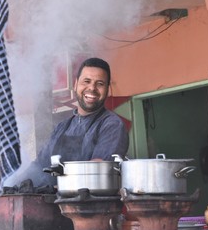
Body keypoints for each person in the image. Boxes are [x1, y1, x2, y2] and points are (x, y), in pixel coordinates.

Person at [20, 57, 129, 187]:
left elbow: (99, 167)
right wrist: (15, 183)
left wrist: (62, 178)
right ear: (76, 84)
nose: (92, 88)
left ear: (107, 89)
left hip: (94, 205)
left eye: (100, 84)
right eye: (86, 81)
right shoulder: (62, 127)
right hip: (55, 203)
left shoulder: (111, 125)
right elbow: (39, 165)